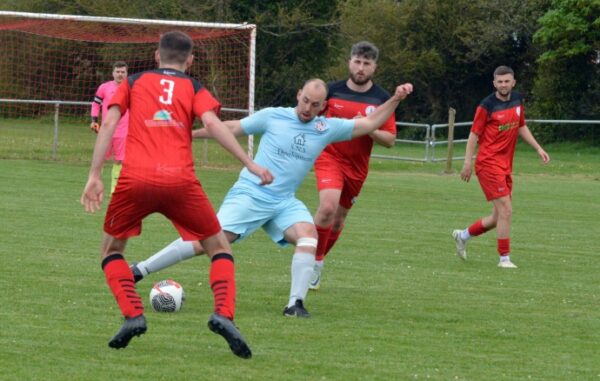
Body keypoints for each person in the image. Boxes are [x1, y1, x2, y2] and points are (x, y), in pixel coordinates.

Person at [130, 78, 413, 318]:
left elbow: (371, 122)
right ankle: (140, 270)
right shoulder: (273, 116)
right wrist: (189, 135)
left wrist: (396, 98)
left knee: (309, 236)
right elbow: (231, 128)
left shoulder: (326, 128)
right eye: (305, 101)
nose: (308, 108)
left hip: (283, 202)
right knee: (208, 242)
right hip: (251, 194)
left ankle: (295, 304)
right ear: (298, 96)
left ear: (323, 106)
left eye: (316, 104)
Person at [80, 30, 273, 358]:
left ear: (157, 56)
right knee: (218, 247)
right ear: (190, 59)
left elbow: (109, 124)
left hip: (135, 179)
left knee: (111, 250)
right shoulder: (193, 87)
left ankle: (132, 315)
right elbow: (213, 125)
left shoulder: (133, 82)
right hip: (181, 182)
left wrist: (95, 175)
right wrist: (250, 164)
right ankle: (223, 314)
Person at [310, 41, 397, 290]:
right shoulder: (330, 92)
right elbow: (310, 118)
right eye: (357, 62)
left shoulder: (381, 99)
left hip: (357, 167)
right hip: (329, 157)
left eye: (366, 64)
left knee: (337, 220)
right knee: (327, 207)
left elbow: (390, 140)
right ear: (349, 62)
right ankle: (312, 262)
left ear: (374, 67)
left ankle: (319, 259)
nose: (361, 68)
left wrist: (368, 127)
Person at [452, 65, 550, 268]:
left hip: (505, 166)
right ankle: (504, 259)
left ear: (513, 82)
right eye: (500, 81)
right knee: (506, 210)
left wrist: (538, 148)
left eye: (507, 81)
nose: (503, 85)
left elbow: (521, 125)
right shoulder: (486, 106)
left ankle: (463, 235)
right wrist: (467, 162)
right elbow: (473, 135)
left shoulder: (517, 100)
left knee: (498, 217)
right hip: (488, 164)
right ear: (494, 83)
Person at [90, 61, 129, 194]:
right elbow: (95, 104)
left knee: (119, 160)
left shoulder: (131, 88)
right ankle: (94, 185)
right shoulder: (104, 87)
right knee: (99, 159)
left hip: (123, 131)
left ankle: (114, 190)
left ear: (126, 73)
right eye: (117, 72)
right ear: (113, 73)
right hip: (106, 130)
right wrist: (94, 120)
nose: (120, 74)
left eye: (122, 72)